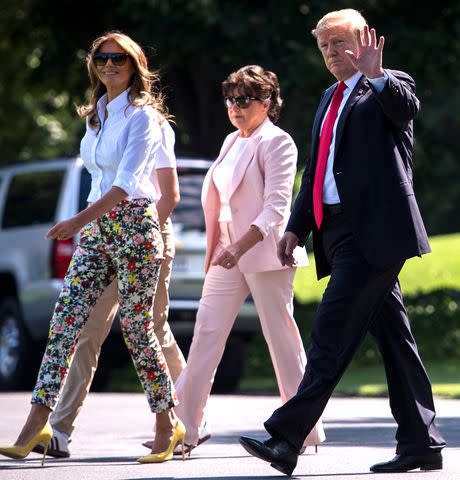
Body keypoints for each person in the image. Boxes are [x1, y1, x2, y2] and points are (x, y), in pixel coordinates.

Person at [239, 9, 445, 476]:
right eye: (325, 46)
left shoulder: (388, 84)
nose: (332, 53)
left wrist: (377, 75)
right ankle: (421, 443)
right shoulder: (330, 96)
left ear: (365, 40)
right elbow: (317, 168)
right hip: (338, 231)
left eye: (340, 43)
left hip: (376, 232)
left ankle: (287, 438)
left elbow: (406, 109)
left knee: (330, 331)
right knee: (395, 341)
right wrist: (296, 227)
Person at [0, 31, 186, 465]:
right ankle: (36, 423)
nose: (108, 65)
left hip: (135, 226)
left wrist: (75, 223)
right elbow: (99, 180)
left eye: (118, 59)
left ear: (134, 64)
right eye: (101, 59)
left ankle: (167, 423)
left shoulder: (145, 118)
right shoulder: (95, 115)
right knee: (64, 324)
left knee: (138, 330)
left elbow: (125, 184)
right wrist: (87, 226)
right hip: (97, 228)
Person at [168, 65, 325, 454]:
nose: (235, 107)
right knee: (206, 333)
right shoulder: (231, 141)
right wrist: (226, 246)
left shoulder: (278, 142)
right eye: (230, 100)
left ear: (268, 102)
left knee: (281, 341)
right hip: (225, 253)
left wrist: (239, 247)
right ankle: (183, 429)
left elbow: (276, 208)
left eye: (245, 100)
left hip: (265, 254)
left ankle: (304, 430)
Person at [32, 167, 186, 459]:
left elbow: (170, 194)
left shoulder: (151, 124)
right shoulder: (99, 125)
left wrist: (141, 239)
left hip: (142, 231)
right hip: (104, 232)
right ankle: (59, 428)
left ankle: (188, 414)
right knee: (83, 330)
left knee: (148, 330)